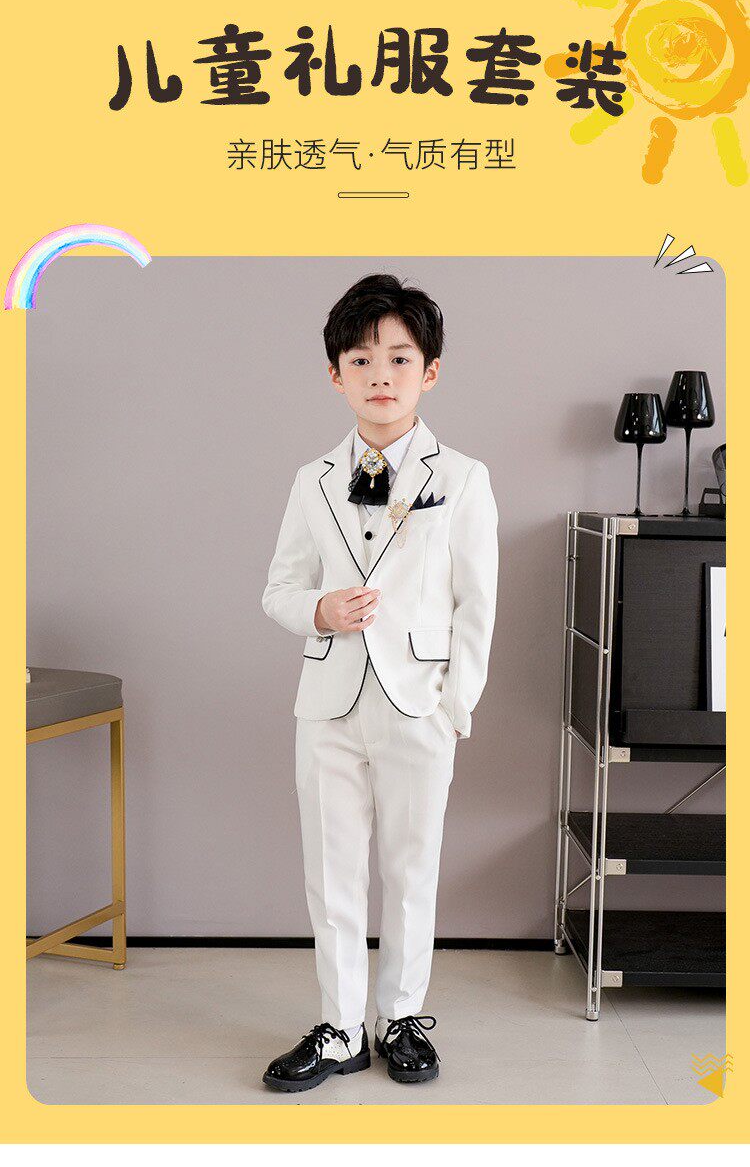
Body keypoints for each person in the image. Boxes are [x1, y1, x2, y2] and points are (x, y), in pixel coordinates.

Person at [261, 273, 499, 1092]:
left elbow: (477, 603)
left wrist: (454, 707)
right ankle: (339, 1028)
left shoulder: (462, 477)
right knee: (330, 872)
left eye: (400, 358)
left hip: (418, 702)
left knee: (409, 868)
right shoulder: (313, 479)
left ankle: (400, 1017)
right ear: (336, 375)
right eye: (360, 360)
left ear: (430, 371)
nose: (380, 375)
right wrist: (319, 610)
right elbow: (279, 589)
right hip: (328, 703)